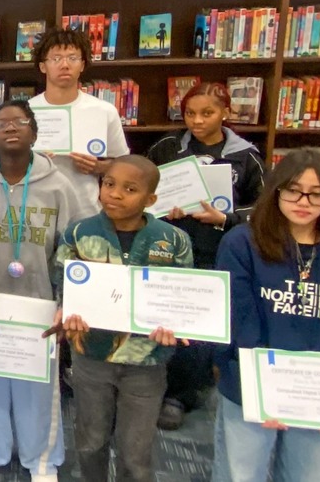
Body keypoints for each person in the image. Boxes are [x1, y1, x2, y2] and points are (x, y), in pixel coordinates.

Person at [211, 149, 320, 482]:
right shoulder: (242, 243)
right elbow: (238, 319)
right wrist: (268, 393)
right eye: (293, 190)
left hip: (319, 391)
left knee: (312, 475)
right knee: (240, 474)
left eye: (317, 194)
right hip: (251, 383)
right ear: (275, 191)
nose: (304, 201)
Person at [0, 100, 80, 482]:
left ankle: (41, 458)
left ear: (34, 133)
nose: (10, 127)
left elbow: (73, 249)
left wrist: (66, 301)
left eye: (20, 121)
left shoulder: (58, 185)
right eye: (0, 122)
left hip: (38, 302)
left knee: (37, 384)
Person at [55, 155, 192, 482]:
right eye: (109, 184)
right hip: (92, 356)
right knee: (90, 441)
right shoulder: (78, 233)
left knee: (136, 450)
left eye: (130, 189)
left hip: (147, 359)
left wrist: (177, 325)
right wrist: (67, 311)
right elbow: (63, 280)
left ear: (151, 199)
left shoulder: (172, 240)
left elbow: (183, 294)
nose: (115, 194)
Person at [146, 81, 266, 430]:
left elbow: (264, 207)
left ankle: (181, 395)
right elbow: (144, 185)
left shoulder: (246, 156)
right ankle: (156, 385)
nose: (197, 121)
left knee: (197, 327)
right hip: (168, 246)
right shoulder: (169, 146)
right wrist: (163, 206)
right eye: (190, 114)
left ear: (225, 113)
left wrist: (225, 218)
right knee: (160, 318)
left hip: (217, 250)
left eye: (207, 113)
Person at [28, 27, 129, 213]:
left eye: (72, 58)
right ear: (43, 66)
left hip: (85, 211)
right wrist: (29, 162)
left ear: (82, 64)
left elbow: (124, 165)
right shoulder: (26, 112)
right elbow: (4, 163)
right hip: (35, 211)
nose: (65, 65)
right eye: (56, 58)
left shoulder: (104, 111)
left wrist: (98, 166)